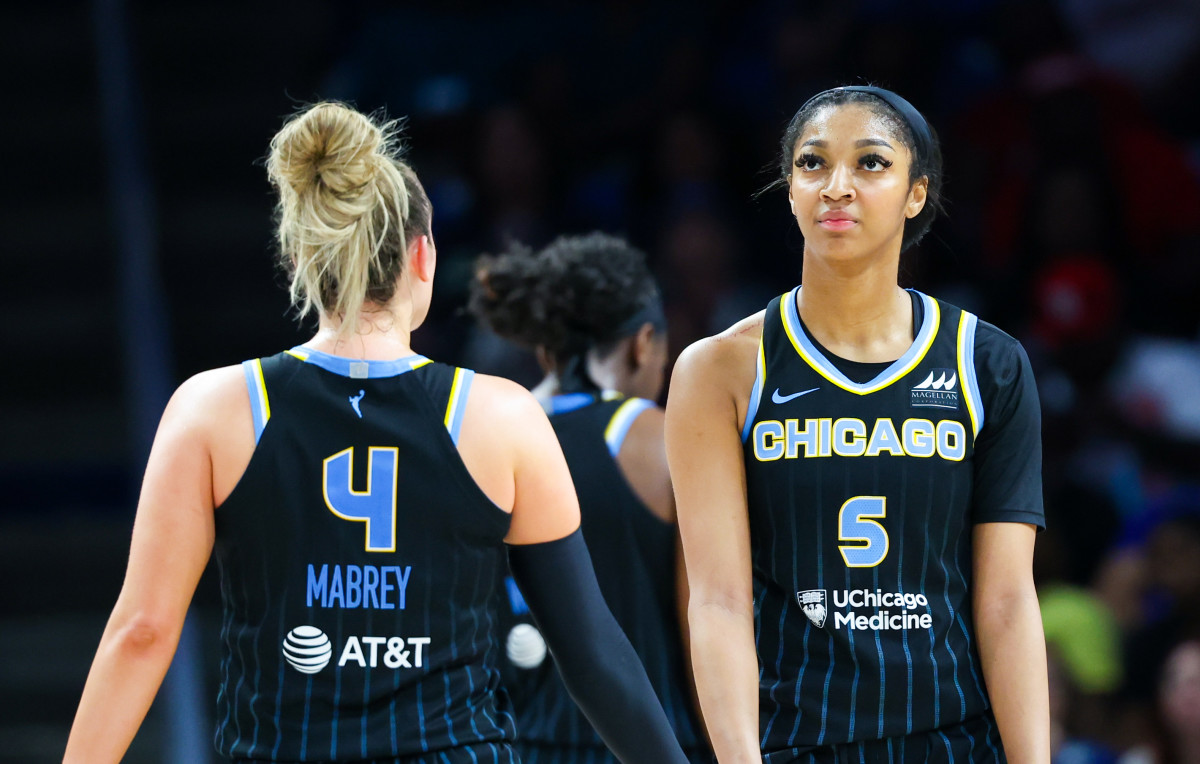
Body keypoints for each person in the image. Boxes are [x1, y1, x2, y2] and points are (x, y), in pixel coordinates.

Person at [63, 102, 690, 764]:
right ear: (423, 257)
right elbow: (590, 651)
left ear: (302, 254)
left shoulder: (214, 408)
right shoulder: (501, 417)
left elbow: (142, 632)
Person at [664, 85, 1050, 764]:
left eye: (870, 163)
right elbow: (717, 602)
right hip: (795, 743)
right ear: (789, 190)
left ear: (915, 194)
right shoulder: (718, 371)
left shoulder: (987, 363)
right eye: (813, 164)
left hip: (955, 740)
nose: (836, 186)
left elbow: (1009, 602)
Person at [468, 233, 709, 764]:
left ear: (544, 349)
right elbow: (706, 625)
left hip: (509, 743)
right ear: (644, 343)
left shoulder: (489, 440)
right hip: (654, 747)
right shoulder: (664, 441)